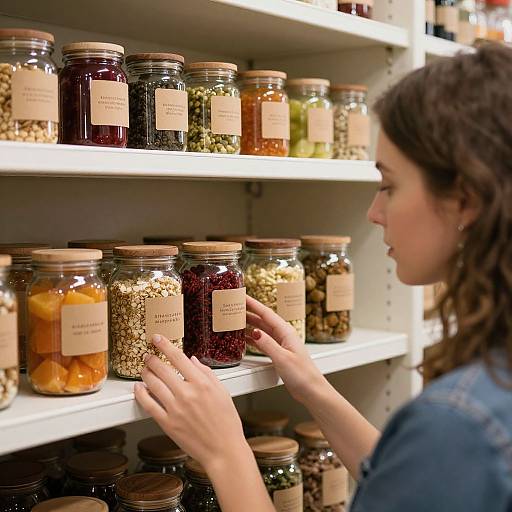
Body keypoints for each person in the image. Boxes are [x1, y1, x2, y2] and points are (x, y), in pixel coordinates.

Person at [134, 43, 512, 511]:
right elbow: (410, 486)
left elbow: (434, 460)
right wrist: (311, 387)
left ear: (466, 199)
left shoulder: (457, 424)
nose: (373, 214)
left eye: (389, 186)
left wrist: (224, 452)